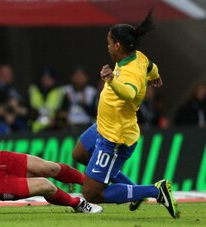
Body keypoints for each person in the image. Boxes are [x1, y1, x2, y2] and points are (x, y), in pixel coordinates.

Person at [71, 9, 180, 218]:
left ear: (118, 46)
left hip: (115, 138)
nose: (108, 46)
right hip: (103, 126)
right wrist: (156, 76)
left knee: (91, 193)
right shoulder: (137, 57)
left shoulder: (129, 74)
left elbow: (130, 93)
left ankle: (156, 190)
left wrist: (112, 80)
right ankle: (133, 191)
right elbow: (151, 66)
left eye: (109, 42)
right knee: (80, 153)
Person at [0, 64, 28, 135]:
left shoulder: (14, 89)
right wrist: (8, 107)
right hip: (0, 122)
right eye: (5, 74)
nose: (9, 76)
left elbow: (25, 110)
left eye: (10, 74)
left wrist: (16, 109)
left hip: (17, 119)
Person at [27, 67, 65, 133]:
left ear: (53, 79)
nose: (46, 80)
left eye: (48, 78)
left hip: (54, 128)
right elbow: (28, 110)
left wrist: (56, 120)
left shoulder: (59, 91)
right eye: (44, 78)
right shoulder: (33, 90)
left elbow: (64, 112)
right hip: (34, 129)